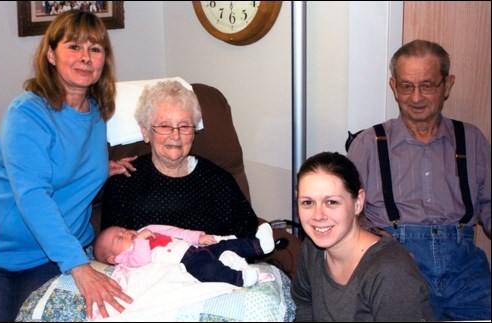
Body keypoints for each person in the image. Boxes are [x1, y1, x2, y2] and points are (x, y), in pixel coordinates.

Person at [0, 11, 134, 322]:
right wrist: (79, 267)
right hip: (4, 258)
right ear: (50, 55)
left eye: (95, 49)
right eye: (74, 47)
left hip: (58, 256)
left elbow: (70, 158)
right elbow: (33, 196)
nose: (85, 57)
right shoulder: (27, 114)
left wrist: (100, 168)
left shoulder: (96, 112)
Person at [347, 39, 491, 320]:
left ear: (447, 85)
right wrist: (379, 244)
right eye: (406, 86)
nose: (416, 98)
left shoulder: (472, 139)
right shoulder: (367, 145)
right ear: (393, 86)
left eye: (427, 85)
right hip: (396, 263)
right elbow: (346, 215)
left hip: (466, 271)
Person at [100, 80, 260, 239]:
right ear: (146, 131)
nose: (175, 136)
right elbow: (111, 249)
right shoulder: (124, 182)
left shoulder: (219, 180)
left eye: (184, 126)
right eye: (164, 126)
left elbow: (249, 235)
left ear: (194, 131)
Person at [291, 152, 433, 322]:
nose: (318, 215)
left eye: (332, 202)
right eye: (307, 202)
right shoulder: (312, 249)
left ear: (358, 202)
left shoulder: (390, 274)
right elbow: (303, 302)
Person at [93, 222, 275, 287]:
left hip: (194, 249)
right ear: (112, 258)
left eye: (123, 230)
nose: (126, 233)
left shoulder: (147, 229)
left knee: (224, 244)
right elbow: (142, 260)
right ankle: (240, 279)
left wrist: (198, 237)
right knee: (210, 271)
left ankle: (259, 245)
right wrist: (139, 240)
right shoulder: (125, 260)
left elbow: (176, 231)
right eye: (119, 238)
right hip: (187, 264)